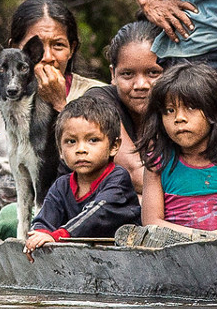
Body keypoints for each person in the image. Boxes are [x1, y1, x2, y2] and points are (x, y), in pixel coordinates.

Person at [0, 0, 105, 238]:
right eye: (36, 47)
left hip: (77, 216)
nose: (46, 56)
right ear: (16, 49)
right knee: (13, 218)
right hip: (14, 223)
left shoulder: (97, 97)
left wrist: (58, 102)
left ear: (72, 49)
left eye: (59, 46)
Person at [24, 93, 141, 255]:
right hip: (82, 258)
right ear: (60, 150)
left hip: (123, 256)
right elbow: (45, 219)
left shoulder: (118, 179)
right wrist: (39, 235)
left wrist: (59, 235)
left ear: (114, 146)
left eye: (93, 140)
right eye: (71, 141)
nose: (81, 150)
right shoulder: (62, 185)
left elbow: (97, 214)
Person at [137, 63, 217, 236]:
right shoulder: (158, 162)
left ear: (213, 110)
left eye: (191, 107)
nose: (179, 118)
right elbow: (152, 223)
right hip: (177, 255)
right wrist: (207, 237)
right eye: (170, 110)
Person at [87, 20, 166, 190]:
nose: (141, 85)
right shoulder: (98, 102)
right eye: (128, 74)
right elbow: (135, 174)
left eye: (153, 73)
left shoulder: (179, 106)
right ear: (113, 74)